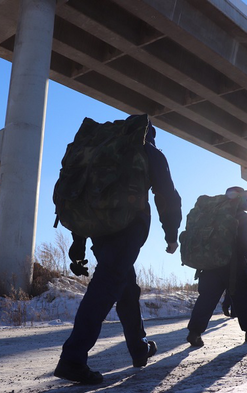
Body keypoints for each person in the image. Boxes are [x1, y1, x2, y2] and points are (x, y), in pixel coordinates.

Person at [53, 120, 182, 385]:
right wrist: (171, 234)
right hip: (128, 225)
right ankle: (73, 358)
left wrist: (78, 244)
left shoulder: (100, 152)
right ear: (150, 136)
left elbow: (83, 197)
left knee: (126, 287)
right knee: (108, 283)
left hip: (98, 230)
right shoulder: (148, 151)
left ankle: (139, 349)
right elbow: (167, 194)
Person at [186, 186, 247, 347]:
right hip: (233, 265)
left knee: (206, 297)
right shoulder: (241, 217)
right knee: (243, 297)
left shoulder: (211, 216)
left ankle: (195, 332)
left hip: (210, 263)